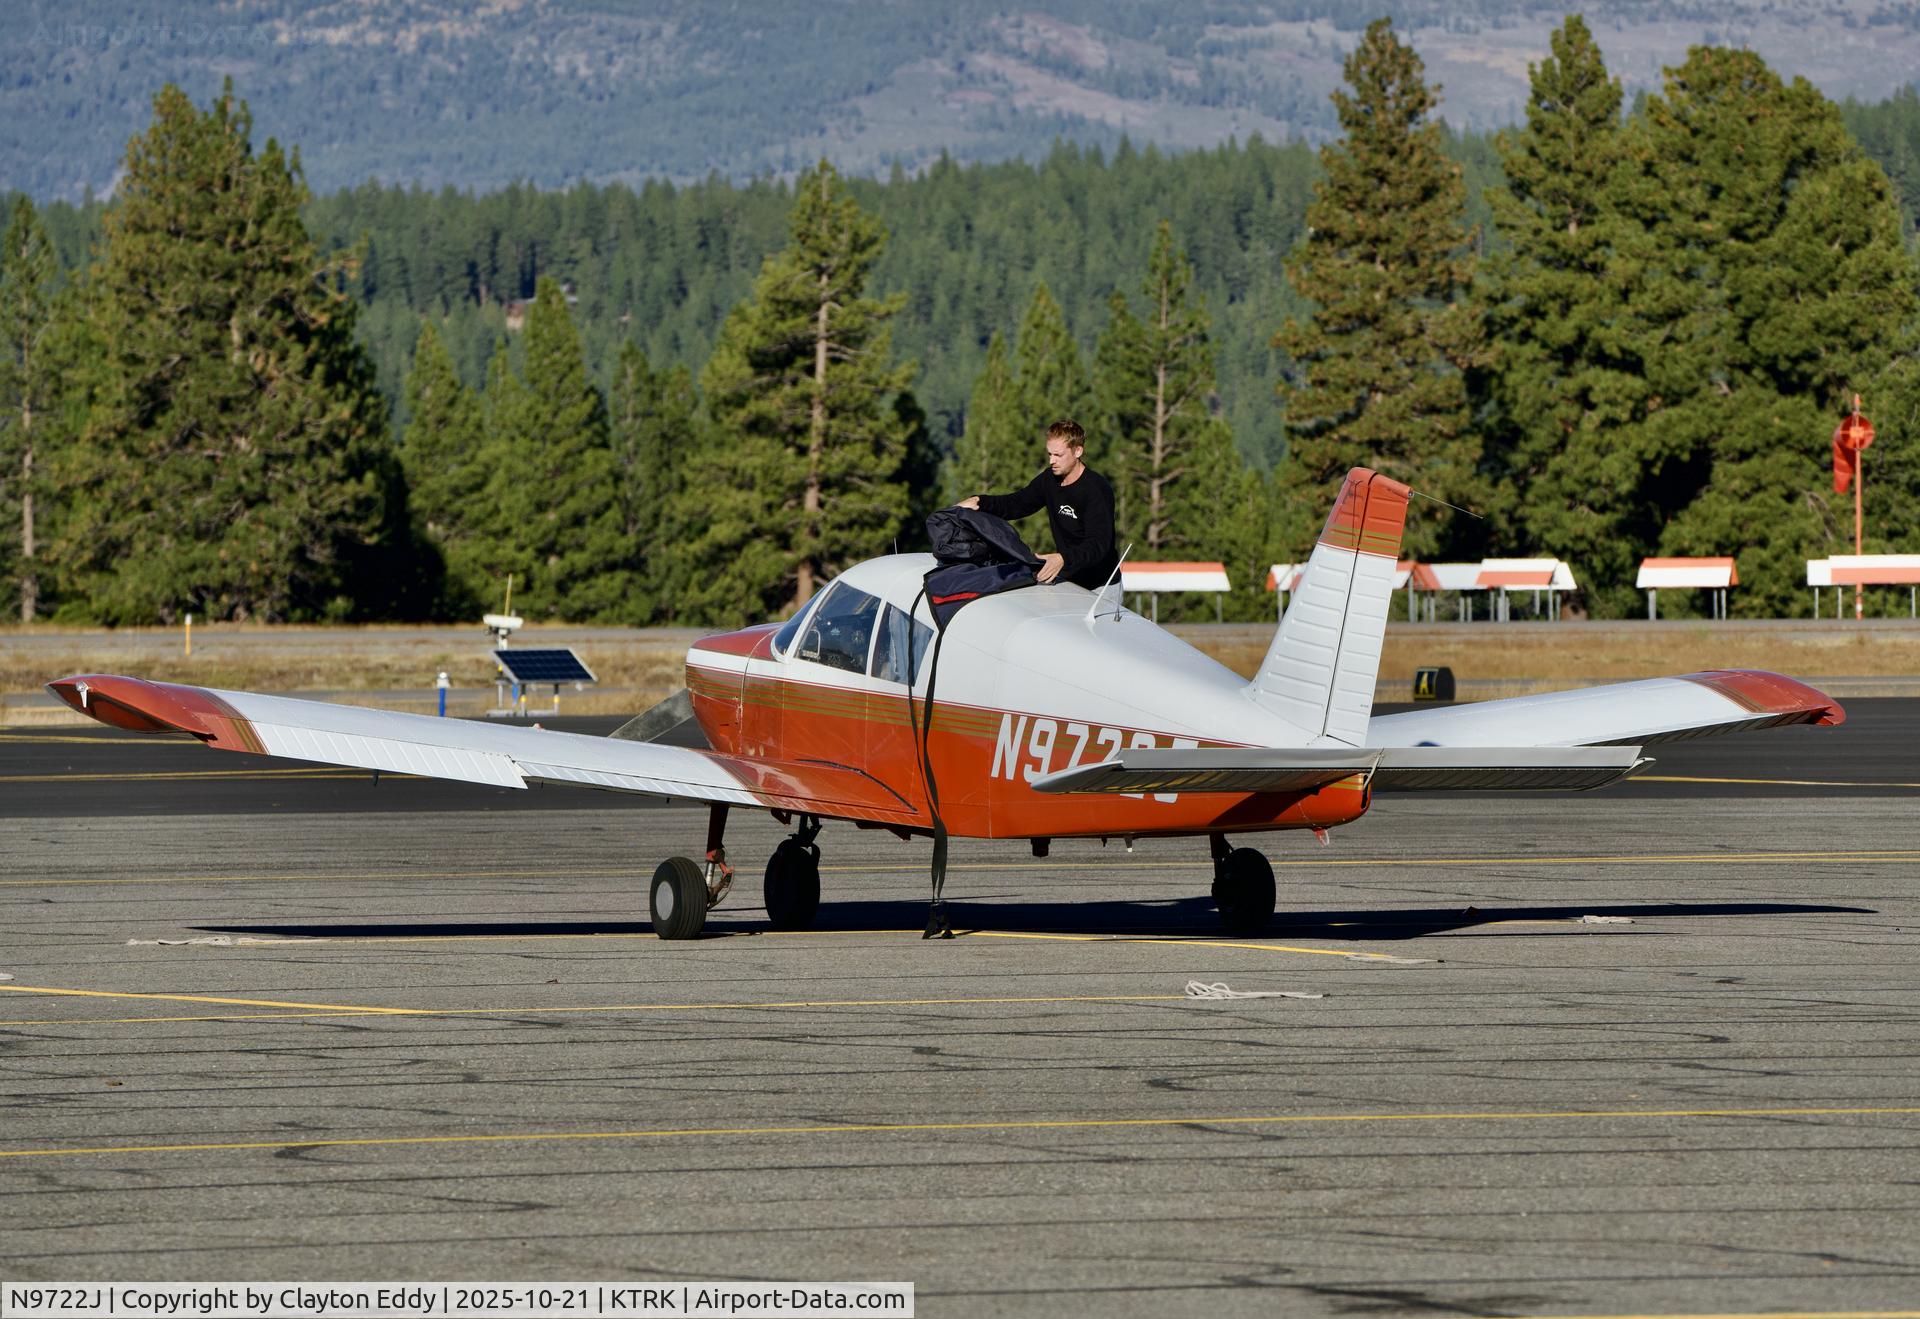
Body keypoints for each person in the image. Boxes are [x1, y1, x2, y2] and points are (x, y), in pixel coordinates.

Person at [957, 419, 1118, 589]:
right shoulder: (1049, 479)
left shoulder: (1096, 490)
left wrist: (1063, 558)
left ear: (1078, 451)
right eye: (1049, 454)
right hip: (1069, 580)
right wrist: (979, 502)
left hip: (1102, 586)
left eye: (1058, 455)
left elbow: (1098, 544)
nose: (1051, 461)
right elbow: (1016, 503)